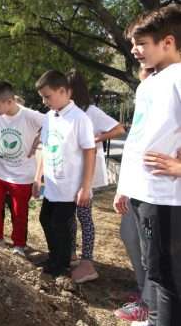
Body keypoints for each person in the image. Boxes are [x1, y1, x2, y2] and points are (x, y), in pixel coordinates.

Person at [113, 4, 181, 326]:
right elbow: (138, 139)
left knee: (166, 275)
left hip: (165, 199)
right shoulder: (149, 83)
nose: (134, 50)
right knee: (151, 266)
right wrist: (125, 187)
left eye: (142, 43)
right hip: (143, 195)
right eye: (132, 44)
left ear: (167, 42)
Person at [34, 70, 95, 277]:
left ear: (63, 91)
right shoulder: (50, 117)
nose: (44, 101)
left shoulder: (80, 118)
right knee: (45, 219)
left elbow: (89, 152)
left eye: (47, 96)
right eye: (42, 97)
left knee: (60, 224)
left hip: (70, 187)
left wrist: (85, 187)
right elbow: (44, 147)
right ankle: (54, 257)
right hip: (52, 185)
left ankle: (62, 264)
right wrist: (37, 177)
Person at [67, 69, 126, 283]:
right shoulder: (67, 111)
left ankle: (87, 260)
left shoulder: (90, 111)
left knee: (84, 215)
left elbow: (119, 129)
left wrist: (100, 137)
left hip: (88, 172)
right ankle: (71, 253)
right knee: (70, 214)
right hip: (71, 172)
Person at [0, 81, 44, 256]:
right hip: (0, 171)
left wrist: (38, 140)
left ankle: (19, 245)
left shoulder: (30, 116)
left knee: (18, 212)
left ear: (10, 101)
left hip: (23, 176)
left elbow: (51, 125)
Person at [114, 67, 154, 323]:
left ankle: (150, 304)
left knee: (154, 252)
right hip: (136, 187)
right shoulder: (145, 93)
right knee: (130, 235)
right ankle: (145, 291)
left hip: (160, 192)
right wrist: (123, 188)